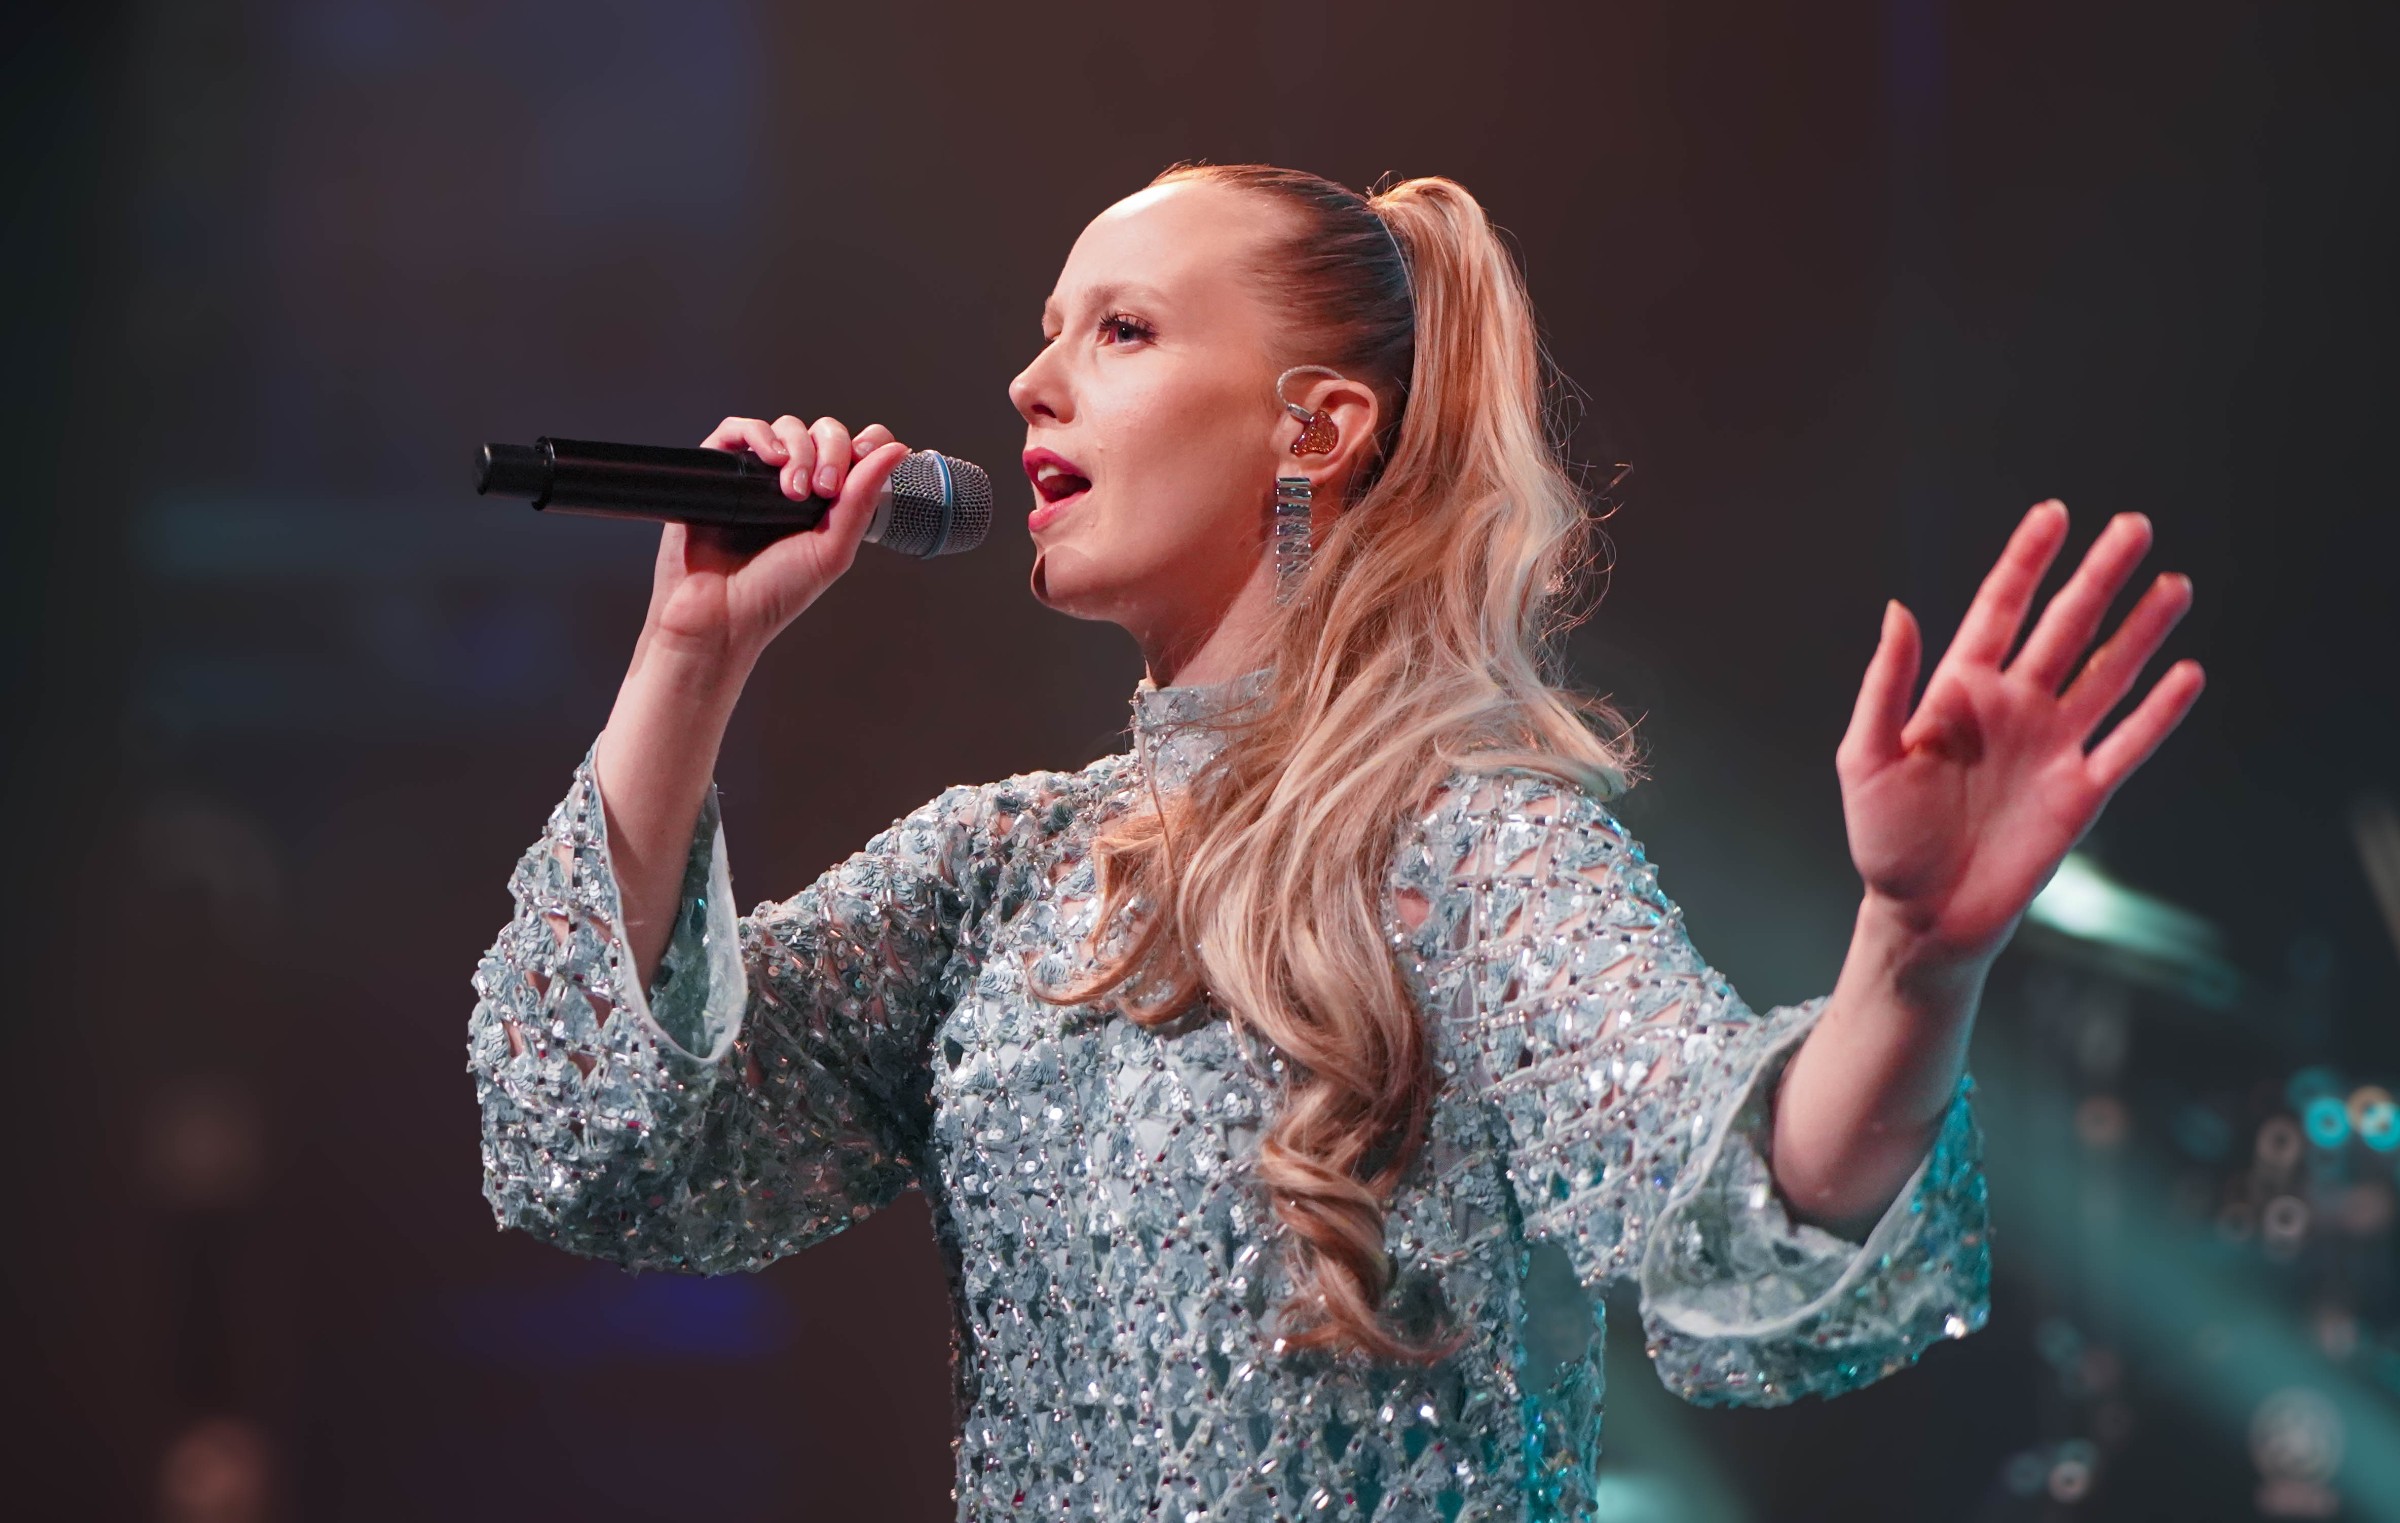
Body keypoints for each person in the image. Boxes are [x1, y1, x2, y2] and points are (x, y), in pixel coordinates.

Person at [467, 163, 2202, 1520]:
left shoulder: (1475, 851)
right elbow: (597, 1147)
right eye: (1047, 329)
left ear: (1315, 428)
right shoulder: (994, 872)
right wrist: (691, 655)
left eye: (1119, 332)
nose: (1027, 382)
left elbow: (1742, 1226)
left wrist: (1916, 956)